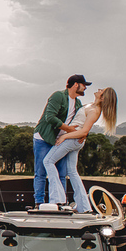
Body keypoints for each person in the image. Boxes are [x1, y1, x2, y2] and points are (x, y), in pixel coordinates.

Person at [43, 87, 118, 212]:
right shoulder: (90, 106)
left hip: (72, 140)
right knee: (72, 171)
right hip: (75, 140)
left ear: (103, 97)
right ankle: (83, 206)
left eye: (102, 90)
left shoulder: (95, 110)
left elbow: (84, 131)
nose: (99, 89)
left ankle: (57, 198)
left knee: (48, 161)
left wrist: (65, 136)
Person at [33, 75, 90, 205]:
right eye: (83, 84)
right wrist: (71, 131)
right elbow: (50, 117)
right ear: (76, 84)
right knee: (41, 172)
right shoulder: (58, 96)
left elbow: (80, 123)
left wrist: (82, 134)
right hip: (44, 138)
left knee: (61, 173)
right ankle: (39, 203)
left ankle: (60, 203)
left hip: (60, 140)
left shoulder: (78, 103)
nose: (85, 87)